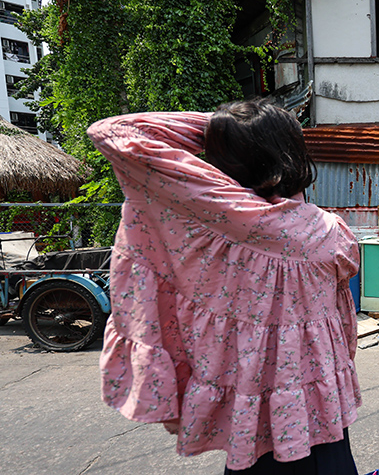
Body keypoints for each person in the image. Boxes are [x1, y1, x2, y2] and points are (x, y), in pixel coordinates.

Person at [87, 99, 362, 474]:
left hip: (250, 423)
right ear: (288, 156)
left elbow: (111, 131)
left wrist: (221, 130)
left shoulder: (210, 212)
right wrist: (263, 129)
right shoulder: (329, 236)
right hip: (316, 413)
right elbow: (342, 321)